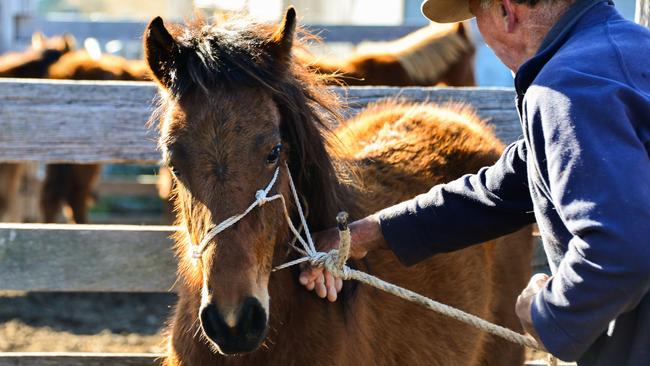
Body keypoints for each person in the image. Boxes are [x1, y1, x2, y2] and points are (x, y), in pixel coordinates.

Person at [298, 0, 650, 364]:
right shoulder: (631, 51)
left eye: (475, 17)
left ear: (505, 11)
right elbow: (505, 187)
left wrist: (550, 316)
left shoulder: (568, 86)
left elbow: (621, 250)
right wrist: (369, 232)